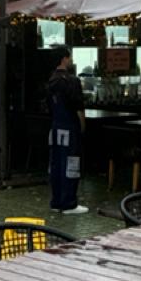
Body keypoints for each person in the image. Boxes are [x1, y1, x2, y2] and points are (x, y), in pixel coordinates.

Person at [47, 44, 87, 215]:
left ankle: (56, 201)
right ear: (64, 59)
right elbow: (79, 107)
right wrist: (82, 125)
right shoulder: (72, 81)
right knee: (71, 163)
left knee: (56, 163)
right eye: (69, 57)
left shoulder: (51, 80)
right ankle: (69, 202)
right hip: (70, 128)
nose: (71, 60)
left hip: (55, 127)